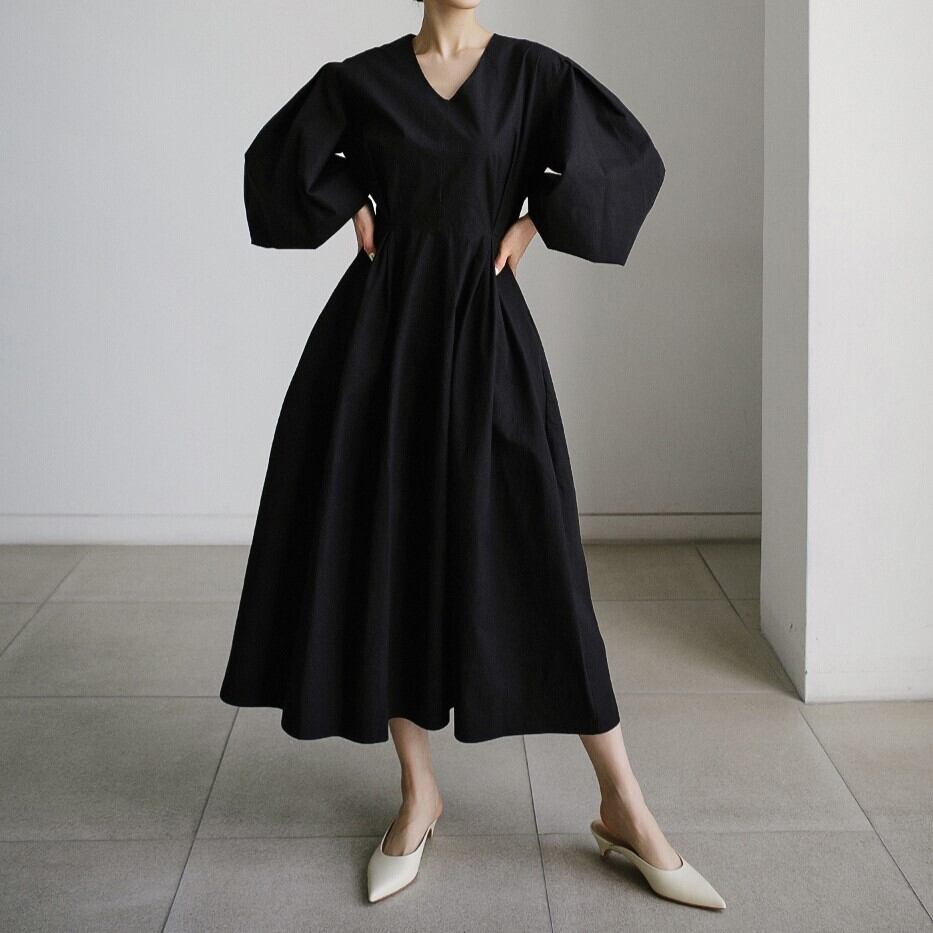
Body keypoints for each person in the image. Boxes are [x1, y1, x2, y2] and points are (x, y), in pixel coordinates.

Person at [220, 0, 726, 910]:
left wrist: (531, 222)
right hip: (379, 346)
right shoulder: (362, 81)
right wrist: (350, 204)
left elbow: (626, 160)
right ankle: (418, 793)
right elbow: (277, 165)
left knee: (540, 561)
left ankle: (623, 802)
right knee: (390, 551)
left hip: (486, 339)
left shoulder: (534, 75)